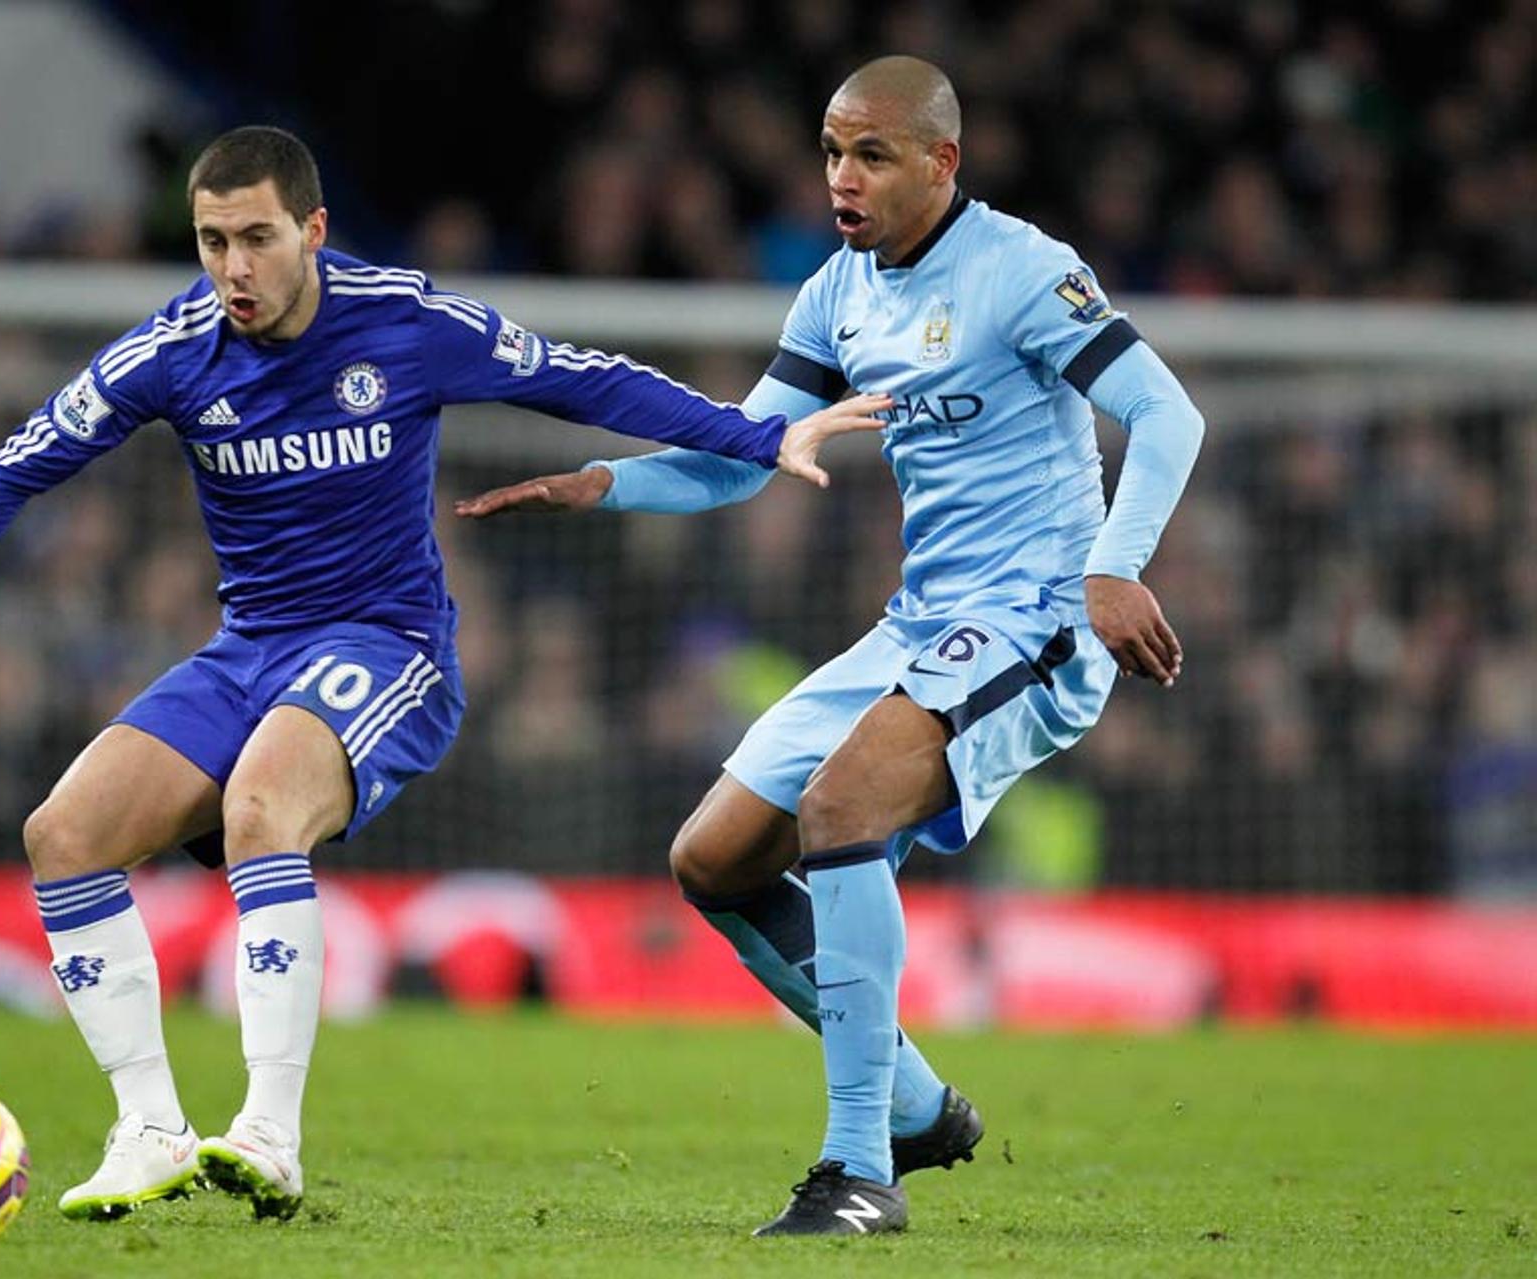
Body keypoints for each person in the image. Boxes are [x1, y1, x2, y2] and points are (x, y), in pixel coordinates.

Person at [0, 125, 888, 1223]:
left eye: (257, 239)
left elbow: (577, 378)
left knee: (260, 805)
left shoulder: (404, 322)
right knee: (62, 834)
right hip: (248, 650)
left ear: (313, 231)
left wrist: (757, 439)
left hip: (387, 645)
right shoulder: (172, 351)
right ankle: (148, 1129)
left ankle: (269, 1130)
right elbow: (16, 465)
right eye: (212, 241)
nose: (233, 268)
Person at [456, 56, 1204, 1237]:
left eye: (871, 155)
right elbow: (745, 452)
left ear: (941, 162)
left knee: (845, 803)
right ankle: (911, 1102)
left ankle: (858, 1169)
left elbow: (1168, 411)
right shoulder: (838, 294)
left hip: (1040, 613)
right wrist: (602, 482)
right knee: (712, 859)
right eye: (830, 152)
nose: (841, 179)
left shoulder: (1022, 271)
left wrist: (1114, 566)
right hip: (924, 619)